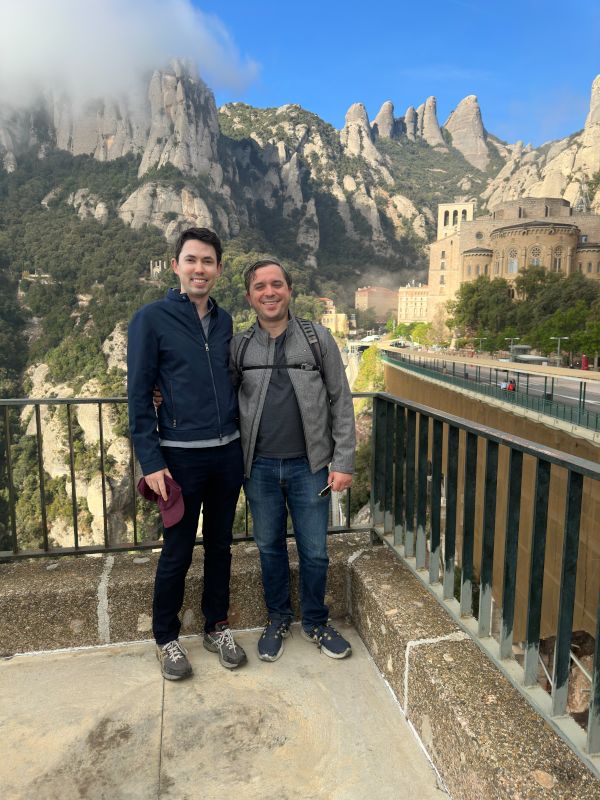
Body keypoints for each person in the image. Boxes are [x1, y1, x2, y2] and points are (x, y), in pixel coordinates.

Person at [127, 227, 247, 681]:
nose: (200, 269)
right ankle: (166, 637)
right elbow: (138, 394)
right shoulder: (151, 319)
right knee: (176, 550)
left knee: (221, 545)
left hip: (226, 454)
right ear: (176, 265)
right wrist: (152, 460)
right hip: (178, 458)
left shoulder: (226, 320)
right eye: (192, 260)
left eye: (209, 261)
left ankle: (217, 626)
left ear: (218, 269)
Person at [231, 258, 356, 662]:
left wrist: (343, 461)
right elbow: (216, 396)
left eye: (277, 284)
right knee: (269, 548)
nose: (269, 292)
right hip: (260, 468)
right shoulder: (240, 346)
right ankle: (278, 618)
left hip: (311, 466)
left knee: (315, 550)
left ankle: (317, 623)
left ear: (289, 290)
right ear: (249, 296)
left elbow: (341, 401)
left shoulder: (318, 339)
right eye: (260, 287)